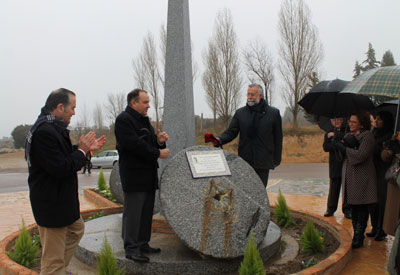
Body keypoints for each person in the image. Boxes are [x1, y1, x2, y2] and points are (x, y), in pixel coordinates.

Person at [25, 88, 106, 274]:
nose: (74, 112)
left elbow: (63, 156)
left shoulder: (54, 128)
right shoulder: (44, 132)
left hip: (62, 202)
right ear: (60, 107)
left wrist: (84, 149)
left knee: (76, 230)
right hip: (51, 205)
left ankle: (60, 269)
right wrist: (81, 151)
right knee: (52, 260)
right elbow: (60, 167)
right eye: (73, 107)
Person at [115, 88, 170, 263]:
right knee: (133, 214)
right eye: (145, 102)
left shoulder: (144, 120)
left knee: (146, 212)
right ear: (134, 103)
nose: (148, 106)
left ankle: (143, 243)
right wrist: (157, 153)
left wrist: (159, 141)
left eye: (148, 102)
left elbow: (149, 141)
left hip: (148, 175)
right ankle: (131, 248)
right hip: (133, 176)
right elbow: (134, 145)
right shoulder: (124, 120)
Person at [210, 84, 282, 187]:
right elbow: (231, 132)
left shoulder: (273, 113)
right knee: (245, 191)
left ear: (260, 96)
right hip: (245, 160)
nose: (249, 97)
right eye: (248, 94)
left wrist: (276, 159)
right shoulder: (240, 113)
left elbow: (278, 139)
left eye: (252, 94)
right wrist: (219, 139)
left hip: (263, 161)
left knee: (259, 192)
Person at [333, 111, 377, 249]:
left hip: (362, 177)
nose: (350, 123)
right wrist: (338, 146)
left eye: (353, 121)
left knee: (362, 206)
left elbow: (361, 156)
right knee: (353, 207)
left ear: (362, 124)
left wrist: (346, 149)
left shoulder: (367, 136)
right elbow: (342, 157)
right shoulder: (349, 135)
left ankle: (359, 236)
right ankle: (356, 234)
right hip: (350, 176)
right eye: (350, 121)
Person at [367, 111, 393, 241]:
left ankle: (381, 230)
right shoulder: (373, 133)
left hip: (383, 172)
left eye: (380, 119)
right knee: (372, 201)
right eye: (375, 118)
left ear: (386, 121)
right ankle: (374, 227)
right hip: (372, 170)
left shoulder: (390, 136)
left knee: (381, 201)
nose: (376, 121)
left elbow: (387, 157)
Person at [322, 117, 351, 219]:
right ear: (331, 121)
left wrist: (336, 137)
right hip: (334, 164)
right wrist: (336, 144)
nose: (337, 121)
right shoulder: (328, 133)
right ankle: (330, 209)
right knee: (334, 188)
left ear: (342, 120)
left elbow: (348, 144)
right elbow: (326, 147)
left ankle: (347, 210)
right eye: (334, 120)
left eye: (338, 119)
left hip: (346, 163)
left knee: (346, 188)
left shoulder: (347, 131)